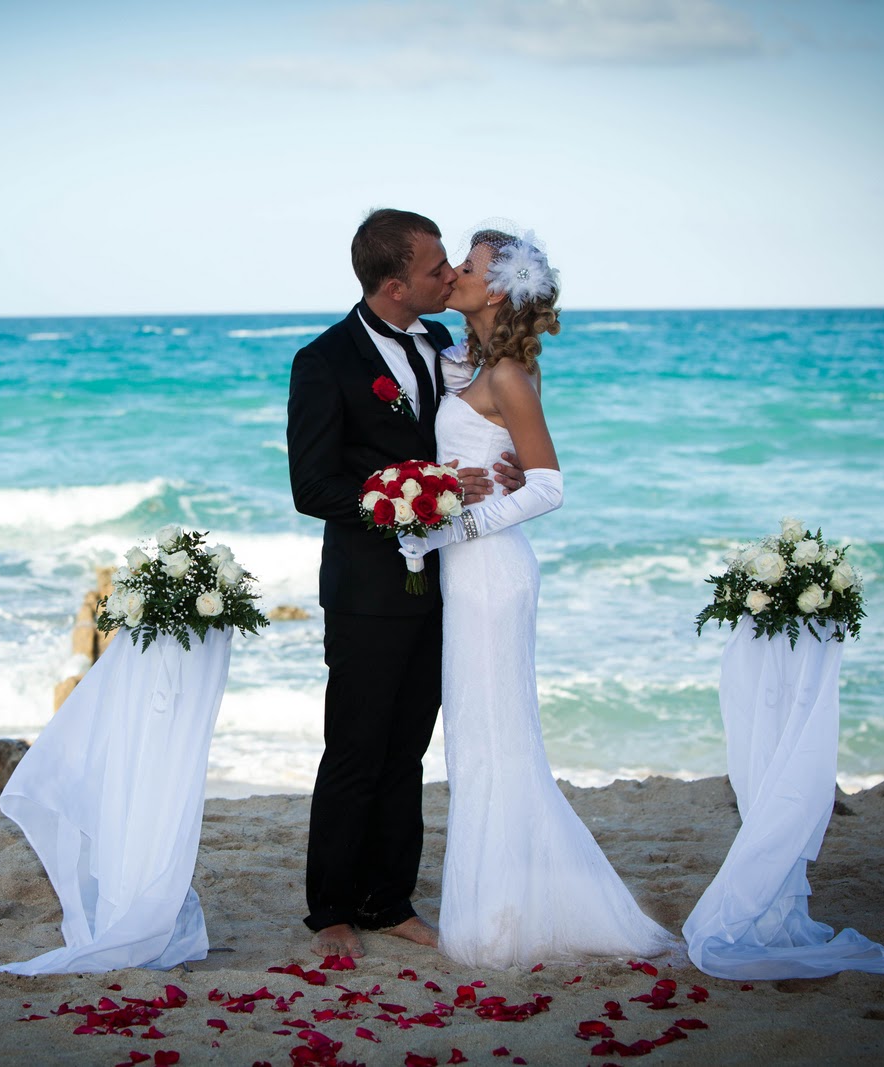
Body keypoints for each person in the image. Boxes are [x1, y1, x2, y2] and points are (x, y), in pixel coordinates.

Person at [399, 226, 675, 968]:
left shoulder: (512, 374)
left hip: (492, 573)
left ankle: (504, 916)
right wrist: (437, 503)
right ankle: (503, 900)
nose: (454, 271)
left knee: (497, 741)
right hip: (469, 571)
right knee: (477, 739)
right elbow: (474, 441)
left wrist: (458, 527)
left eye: (470, 265)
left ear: (496, 289)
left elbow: (548, 484)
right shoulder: (468, 363)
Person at [286, 209, 523, 958]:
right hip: (366, 588)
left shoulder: (441, 342)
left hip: (446, 578)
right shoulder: (323, 361)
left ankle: (390, 899)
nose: (448, 275)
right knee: (355, 749)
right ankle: (330, 908)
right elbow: (312, 486)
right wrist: (413, 489)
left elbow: (465, 436)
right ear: (395, 284)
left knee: (409, 749)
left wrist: (501, 469)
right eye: (434, 269)